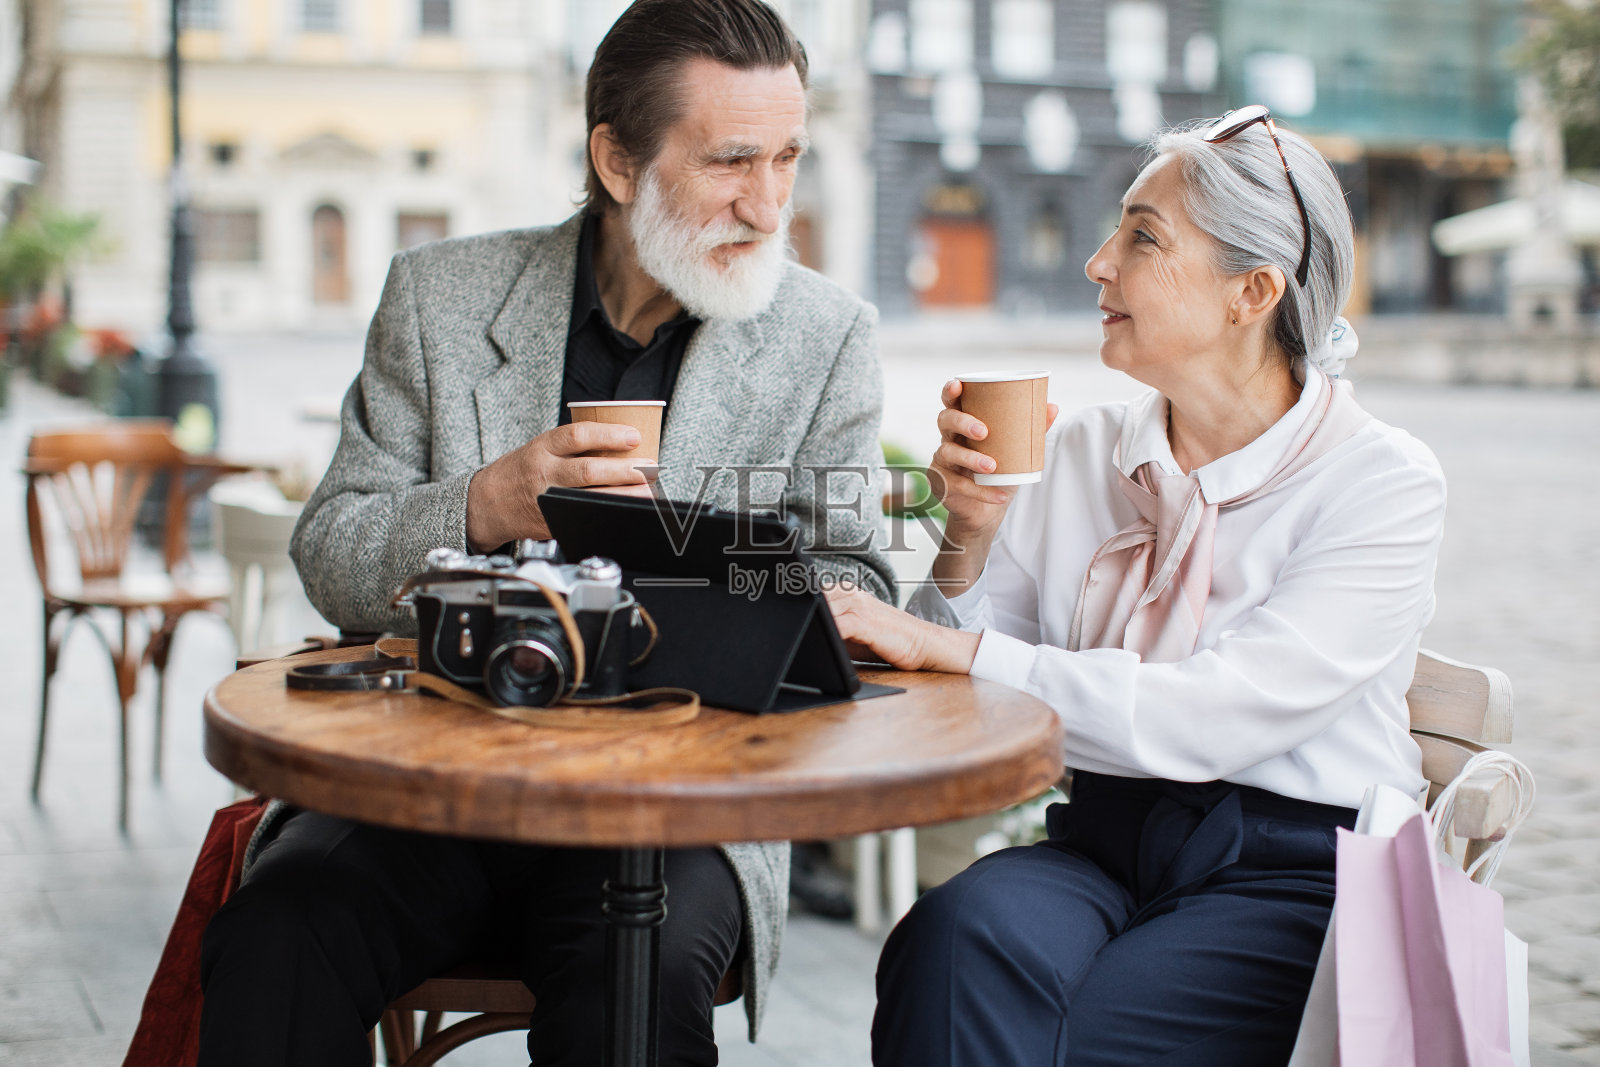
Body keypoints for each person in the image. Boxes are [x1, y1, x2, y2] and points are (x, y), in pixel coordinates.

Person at [197, 2, 892, 1064]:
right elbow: (330, 549)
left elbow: (853, 577)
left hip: (674, 803)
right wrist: (481, 503)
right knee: (278, 928)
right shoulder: (439, 296)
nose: (769, 201)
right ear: (617, 161)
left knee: (639, 975)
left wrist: (706, 560)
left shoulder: (827, 334)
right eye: (731, 160)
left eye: (788, 155)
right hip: (431, 784)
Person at [826, 106, 1446, 1065]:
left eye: (1142, 237)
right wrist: (970, 537)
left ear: (1252, 291)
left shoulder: (1382, 484)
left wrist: (963, 646)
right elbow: (972, 694)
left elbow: (1213, 716)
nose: (1098, 261)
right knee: (945, 943)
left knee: (1080, 1036)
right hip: (1101, 842)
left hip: (1292, 876)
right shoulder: (1076, 451)